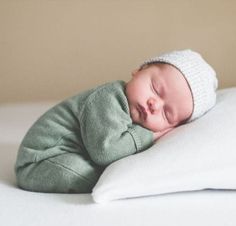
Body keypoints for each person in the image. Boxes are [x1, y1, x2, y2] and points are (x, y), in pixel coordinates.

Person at [15, 49, 218, 193]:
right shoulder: (109, 99)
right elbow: (106, 152)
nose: (154, 104)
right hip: (41, 159)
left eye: (167, 114)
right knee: (91, 174)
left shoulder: (134, 111)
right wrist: (149, 134)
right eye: (155, 89)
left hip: (67, 153)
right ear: (139, 70)